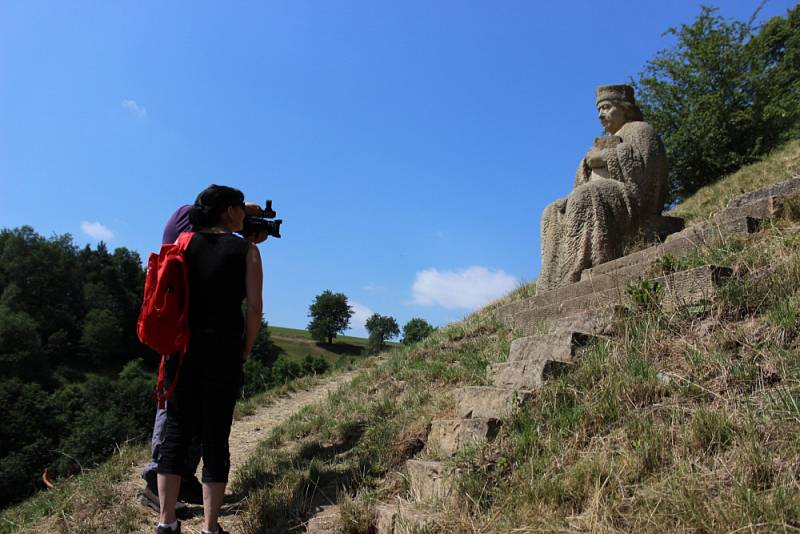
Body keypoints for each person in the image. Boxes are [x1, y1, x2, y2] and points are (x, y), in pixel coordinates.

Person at [142, 203, 267, 511]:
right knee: (182, 422)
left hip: (182, 342)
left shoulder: (192, 231)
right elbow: (251, 305)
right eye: (235, 210)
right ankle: (158, 485)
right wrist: (245, 230)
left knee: (183, 420)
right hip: (198, 343)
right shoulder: (189, 218)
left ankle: (177, 488)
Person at [537, 84, 668, 293]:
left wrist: (606, 157)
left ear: (624, 108)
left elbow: (647, 174)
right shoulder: (600, 142)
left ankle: (581, 265)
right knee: (551, 211)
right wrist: (588, 163)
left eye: (606, 107)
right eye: (599, 110)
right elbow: (583, 180)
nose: (601, 115)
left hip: (632, 198)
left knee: (586, 195)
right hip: (603, 193)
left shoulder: (641, 130)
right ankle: (551, 281)